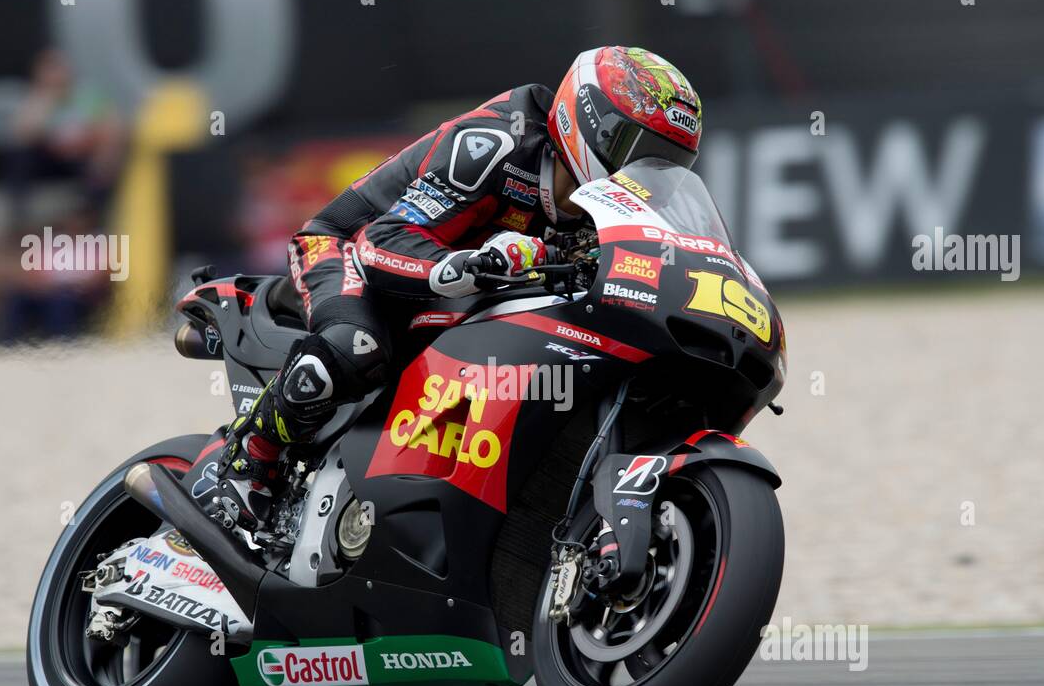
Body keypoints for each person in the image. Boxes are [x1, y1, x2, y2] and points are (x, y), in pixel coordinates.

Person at [216, 46, 704, 530]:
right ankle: (249, 460)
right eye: (634, 151)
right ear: (588, 121)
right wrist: (463, 265)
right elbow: (380, 241)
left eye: (664, 164)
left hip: (459, 286)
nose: (645, 176)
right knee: (355, 347)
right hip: (347, 246)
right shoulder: (499, 144)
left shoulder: (613, 214)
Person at [6, 49, 124, 233]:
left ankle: (96, 220)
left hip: (81, 156)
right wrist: (48, 100)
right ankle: (18, 218)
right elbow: (22, 133)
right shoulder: (36, 99)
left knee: (103, 164)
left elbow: (112, 126)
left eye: (59, 67)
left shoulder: (86, 95)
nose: (57, 74)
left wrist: (91, 142)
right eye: (50, 69)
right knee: (20, 156)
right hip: (50, 159)